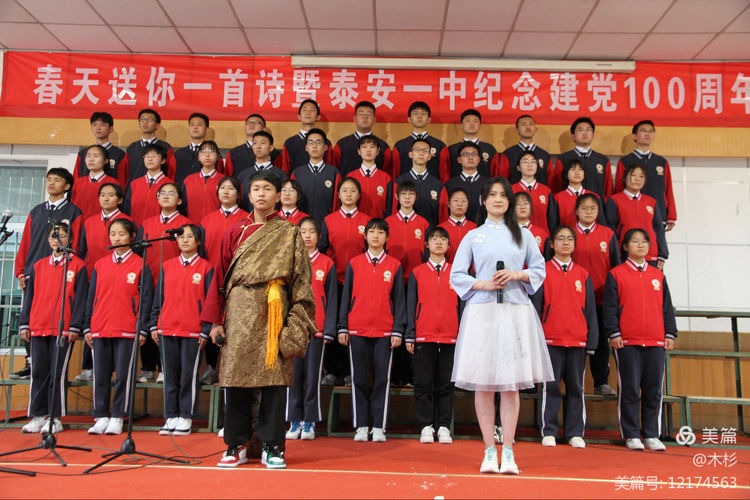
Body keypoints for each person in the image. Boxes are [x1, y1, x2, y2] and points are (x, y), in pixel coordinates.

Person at [202, 170, 316, 469]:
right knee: (235, 379)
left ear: (278, 195)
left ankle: (272, 445)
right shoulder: (234, 231)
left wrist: (297, 322)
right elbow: (219, 276)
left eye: (267, 188)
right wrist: (215, 321)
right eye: (256, 189)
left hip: (274, 311)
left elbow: (301, 280)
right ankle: (236, 444)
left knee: (273, 381)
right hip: (238, 311)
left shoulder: (289, 232)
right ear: (248, 195)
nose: (261, 194)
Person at [449, 177, 552, 475]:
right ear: (483, 200)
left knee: (510, 384)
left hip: (515, 312)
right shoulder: (473, 236)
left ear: (510, 201)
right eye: (492, 195)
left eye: (503, 195)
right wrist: (483, 283)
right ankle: (487, 450)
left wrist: (516, 275)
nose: (498, 199)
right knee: (483, 383)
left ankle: (508, 450)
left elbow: (539, 269)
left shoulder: (524, 235)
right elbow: (457, 275)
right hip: (482, 313)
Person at [603, 228, 677, 451]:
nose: (641, 245)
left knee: (654, 389)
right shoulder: (616, 274)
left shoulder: (658, 275)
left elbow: (667, 308)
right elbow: (610, 308)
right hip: (627, 341)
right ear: (625, 247)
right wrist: (614, 333)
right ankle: (631, 434)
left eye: (644, 241)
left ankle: (652, 434)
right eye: (635, 241)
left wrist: (670, 333)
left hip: (655, 341)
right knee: (630, 389)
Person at [338, 218, 406, 443]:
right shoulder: (354, 263)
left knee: (381, 380)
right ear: (365, 236)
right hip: (356, 329)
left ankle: (378, 425)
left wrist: (398, 330)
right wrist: (342, 326)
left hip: (385, 331)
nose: (376, 236)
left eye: (380, 232)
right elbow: (346, 296)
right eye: (372, 232)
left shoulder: (394, 265)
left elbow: (399, 300)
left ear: (387, 237)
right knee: (358, 379)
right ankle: (361, 424)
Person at [12, 168, 83, 380]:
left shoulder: (74, 212)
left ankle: (52, 368)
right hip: (34, 272)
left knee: (54, 317)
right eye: (49, 179)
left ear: (67, 186)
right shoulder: (36, 211)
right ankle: (30, 362)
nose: (51, 183)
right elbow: (26, 242)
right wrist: (20, 271)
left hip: (61, 271)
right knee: (32, 316)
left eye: (57, 180)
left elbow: (76, 243)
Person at [84, 218, 153, 436]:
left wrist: (142, 328)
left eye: (121, 234)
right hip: (100, 326)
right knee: (101, 375)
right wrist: (87, 326)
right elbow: (90, 297)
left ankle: (118, 416)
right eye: (113, 234)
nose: (116, 238)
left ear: (132, 236)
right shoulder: (100, 265)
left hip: (127, 328)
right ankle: (101, 415)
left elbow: (146, 300)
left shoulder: (141, 264)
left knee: (124, 375)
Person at [19, 222, 88, 434]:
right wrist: (25, 323)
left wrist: (75, 326)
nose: (57, 240)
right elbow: (29, 297)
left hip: (63, 328)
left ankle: (55, 417)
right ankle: (38, 415)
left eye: (62, 236)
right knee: (38, 372)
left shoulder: (78, 266)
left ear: (71, 239)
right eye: (53, 236)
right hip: (38, 325)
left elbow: (81, 300)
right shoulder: (38, 266)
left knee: (57, 373)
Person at [532, 225, 598, 449]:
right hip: (550, 340)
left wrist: (591, 341)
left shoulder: (583, 274)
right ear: (552, 244)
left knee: (576, 388)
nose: (565, 242)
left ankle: (575, 432)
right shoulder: (542, 272)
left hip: (577, 340)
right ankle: (548, 430)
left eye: (570, 239)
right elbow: (536, 308)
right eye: (560, 239)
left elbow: (590, 310)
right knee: (550, 387)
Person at [150, 224, 213, 436]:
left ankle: (186, 416)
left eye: (189, 237)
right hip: (167, 328)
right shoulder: (167, 266)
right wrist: (154, 324)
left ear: (198, 241)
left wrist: (205, 330)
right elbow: (158, 298)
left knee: (188, 376)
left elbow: (210, 303)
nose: (184, 240)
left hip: (193, 331)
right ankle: (171, 416)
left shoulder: (206, 268)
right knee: (169, 375)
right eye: (180, 237)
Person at [406, 226, 460, 445]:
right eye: (434, 239)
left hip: (451, 336)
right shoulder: (417, 272)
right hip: (423, 336)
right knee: (423, 383)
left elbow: (462, 307)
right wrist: (410, 334)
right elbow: (411, 305)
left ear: (449, 245)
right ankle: (426, 425)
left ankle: (444, 426)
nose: (439, 242)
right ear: (426, 244)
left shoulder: (457, 273)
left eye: (443, 239)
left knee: (446, 384)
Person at [285, 217, 337, 441]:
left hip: (317, 327)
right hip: (294, 328)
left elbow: (332, 299)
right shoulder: (290, 261)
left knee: (313, 376)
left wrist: (330, 328)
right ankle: (294, 419)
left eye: (311, 231)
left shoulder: (327, 263)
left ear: (319, 236)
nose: (307, 235)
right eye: (303, 231)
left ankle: (310, 421)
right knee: (293, 376)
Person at [76, 182, 133, 382]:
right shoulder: (90, 221)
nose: (106, 198)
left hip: (120, 275)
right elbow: (82, 250)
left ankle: (115, 370)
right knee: (93, 320)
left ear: (120, 199)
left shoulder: (127, 221)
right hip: (94, 275)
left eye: (110, 195)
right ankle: (88, 366)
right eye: (102, 195)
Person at [136, 183, 192, 382]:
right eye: (162, 193)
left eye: (171, 193)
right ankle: (147, 367)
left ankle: (164, 368)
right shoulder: (147, 223)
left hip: (172, 281)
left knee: (165, 322)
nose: (166, 196)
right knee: (147, 320)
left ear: (180, 200)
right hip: (148, 280)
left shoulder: (185, 224)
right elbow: (138, 253)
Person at [317, 177, 370, 384]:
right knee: (332, 324)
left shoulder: (367, 221)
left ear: (359, 195)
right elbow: (322, 249)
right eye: (344, 190)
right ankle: (331, 370)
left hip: (359, 283)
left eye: (353, 191)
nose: (348, 194)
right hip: (335, 282)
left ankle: (349, 371)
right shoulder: (329, 220)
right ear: (338, 195)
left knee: (352, 325)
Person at [572, 193, 620, 395]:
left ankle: (601, 382)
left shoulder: (607, 234)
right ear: (576, 211)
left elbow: (616, 267)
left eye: (593, 208)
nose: (588, 212)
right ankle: (574, 385)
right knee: (574, 341)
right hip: (574, 299)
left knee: (600, 341)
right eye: (584, 208)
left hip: (601, 298)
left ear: (598, 211)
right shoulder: (568, 234)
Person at [615, 120, 677, 231]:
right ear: (634, 136)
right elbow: (619, 189)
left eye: (651, 131)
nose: (647, 134)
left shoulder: (661, 162)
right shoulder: (625, 161)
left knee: (657, 242)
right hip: (632, 215)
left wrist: (671, 215)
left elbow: (668, 190)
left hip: (658, 214)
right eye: (643, 131)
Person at [605, 165, 668, 269]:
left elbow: (659, 229)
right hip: (624, 255)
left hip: (650, 256)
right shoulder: (615, 200)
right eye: (633, 175)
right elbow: (610, 229)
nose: (637, 179)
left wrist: (662, 254)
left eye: (641, 176)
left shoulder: (651, 201)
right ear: (625, 178)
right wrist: (615, 254)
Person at [386, 137, 443, 227]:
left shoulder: (438, 185)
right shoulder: (399, 182)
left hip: (431, 233)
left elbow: (443, 216)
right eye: (417, 149)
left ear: (429, 156)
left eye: (425, 150)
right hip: (404, 231)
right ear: (410, 154)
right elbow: (393, 211)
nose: (421, 153)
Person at [551, 117, 613, 198]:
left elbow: (608, 191)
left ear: (593, 135)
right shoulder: (563, 159)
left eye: (588, 130)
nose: (585, 133)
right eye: (580, 130)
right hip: (570, 204)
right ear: (573, 136)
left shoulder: (603, 160)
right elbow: (557, 188)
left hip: (597, 205)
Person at [290, 128, 341, 223]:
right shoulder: (297, 173)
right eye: (310, 143)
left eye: (318, 142)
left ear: (325, 147)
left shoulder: (333, 172)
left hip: (325, 223)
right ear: (306, 148)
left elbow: (336, 203)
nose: (314, 146)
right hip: (300, 224)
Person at [331, 100, 391, 176]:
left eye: (369, 114)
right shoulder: (341, 145)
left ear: (374, 120)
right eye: (361, 114)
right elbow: (334, 173)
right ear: (355, 119)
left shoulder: (383, 147)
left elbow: (387, 174)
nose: (365, 117)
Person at [439, 109, 498, 182]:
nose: (472, 124)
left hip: (485, 187)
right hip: (456, 187)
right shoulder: (451, 150)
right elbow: (445, 174)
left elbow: (495, 175)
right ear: (461, 126)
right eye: (468, 121)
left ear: (480, 125)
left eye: (475, 121)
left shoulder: (489, 149)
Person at [72, 111, 128, 188]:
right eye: (94, 124)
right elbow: (76, 178)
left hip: (109, 193)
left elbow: (122, 181)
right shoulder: (83, 153)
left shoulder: (119, 154)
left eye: (102, 125)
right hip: (85, 191)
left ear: (111, 129)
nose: (98, 128)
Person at [122, 144, 174, 227]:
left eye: (154, 156)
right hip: (135, 229)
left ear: (163, 160)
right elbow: (126, 209)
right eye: (147, 156)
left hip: (158, 229)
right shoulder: (135, 184)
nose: (150, 159)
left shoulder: (170, 185)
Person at [391, 101, 446, 178]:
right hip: (406, 185)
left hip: (432, 185)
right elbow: (395, 174)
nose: (419, 116)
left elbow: (444, 175)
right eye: (415, 113)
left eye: (423, 113)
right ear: (409, 119)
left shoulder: (439, 145)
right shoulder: (400, 146)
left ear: (429, 119)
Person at [549, 158, 605, 231]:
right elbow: (553, 224)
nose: (577, 173)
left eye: (580, 169)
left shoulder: (594, 196)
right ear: (566, 173)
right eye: (573, 169)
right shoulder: (558, 198)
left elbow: (601, 222)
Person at [237, 131, 288, 211]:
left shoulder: (281, 175)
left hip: (274, 218)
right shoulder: (243, 175)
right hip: (247, 217)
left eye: (263, 143)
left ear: (271, 147)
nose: (258, 146)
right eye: (255, 143)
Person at [124, 108, 176, 186]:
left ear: (157, 125)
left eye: (150, 119)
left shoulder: (165, 147)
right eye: (142, 119)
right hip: (134, 189)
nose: (145, 122)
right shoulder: (131, 148)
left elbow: (171, 172)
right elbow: (125, 173)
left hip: (158, 188)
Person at [438, 142, 485, 223]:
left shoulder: (489, 184)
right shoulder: (449, 185)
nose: (470, 157)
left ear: (479, 159)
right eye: (466, 154)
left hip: (483, 228)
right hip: (456, 228)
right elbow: (444, 212)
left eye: (474, 154)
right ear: (459, 160)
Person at [498, 115, 552, 185]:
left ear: (535, 130)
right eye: (523, 124)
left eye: (531, 124)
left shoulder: (545, 155)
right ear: (516, 130)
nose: (528, 127)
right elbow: (503, 182)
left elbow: (551, 183)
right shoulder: (508, 154)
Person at [281, 99, 333, 172]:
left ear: (318, 117)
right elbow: (284, 170)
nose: (308, 113)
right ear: (299, 116)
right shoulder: (289, 143)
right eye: (304, 110)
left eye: (312, 110)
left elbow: (329, 169)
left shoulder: (326, 142)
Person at [347, 135, 391, 219]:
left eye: (372, 147)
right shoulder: (351, 177)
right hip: (355, 222)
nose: (368, 150)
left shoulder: (386, 178)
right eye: (364, 147)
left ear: (377, 151)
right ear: (359, 151)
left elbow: (389, 207)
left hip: (378, 224)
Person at [173, 113, 224, 186]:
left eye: (199, 124)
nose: (195, 127)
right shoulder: (178, 154)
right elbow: (171, 177)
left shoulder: (214, 154)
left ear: (207, 130)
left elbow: (220, 178)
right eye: (192, 124)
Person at [70, 145, 118, 219]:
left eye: (96, 156)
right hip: (78, 222)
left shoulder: (113, 183)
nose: (91, 159)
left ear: (106, 160)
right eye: (88, 156)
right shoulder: (77, 182)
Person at [511, 151, 554, 234]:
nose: (529, 165)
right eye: (525, 161)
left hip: (542, 236)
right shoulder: (511, 190)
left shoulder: (546, 191)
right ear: (518, 167)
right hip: (517, 235)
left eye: (533, 161)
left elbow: (552, 219)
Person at [181, 140, 222, 222]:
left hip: (215, 225)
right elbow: (182, 206)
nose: (207, 155)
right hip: (191, 226)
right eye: (203, 151)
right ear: (198, 157)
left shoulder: (224, 181)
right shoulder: (188, 180)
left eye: (211, 151)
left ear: (217, 156)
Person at [438, 188, 476, 263]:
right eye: (456, 200)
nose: (459, 204)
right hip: (449, 269)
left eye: (463, 201)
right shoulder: (440, 229)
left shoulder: (475, 228)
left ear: (468, 204)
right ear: (448, 204)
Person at [515, 191, 550, 257]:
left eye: (526, 203)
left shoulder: (542, 234)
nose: (522, 207)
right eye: (518, 204)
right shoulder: (506, 232)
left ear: (531, 208)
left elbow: (546, 259)